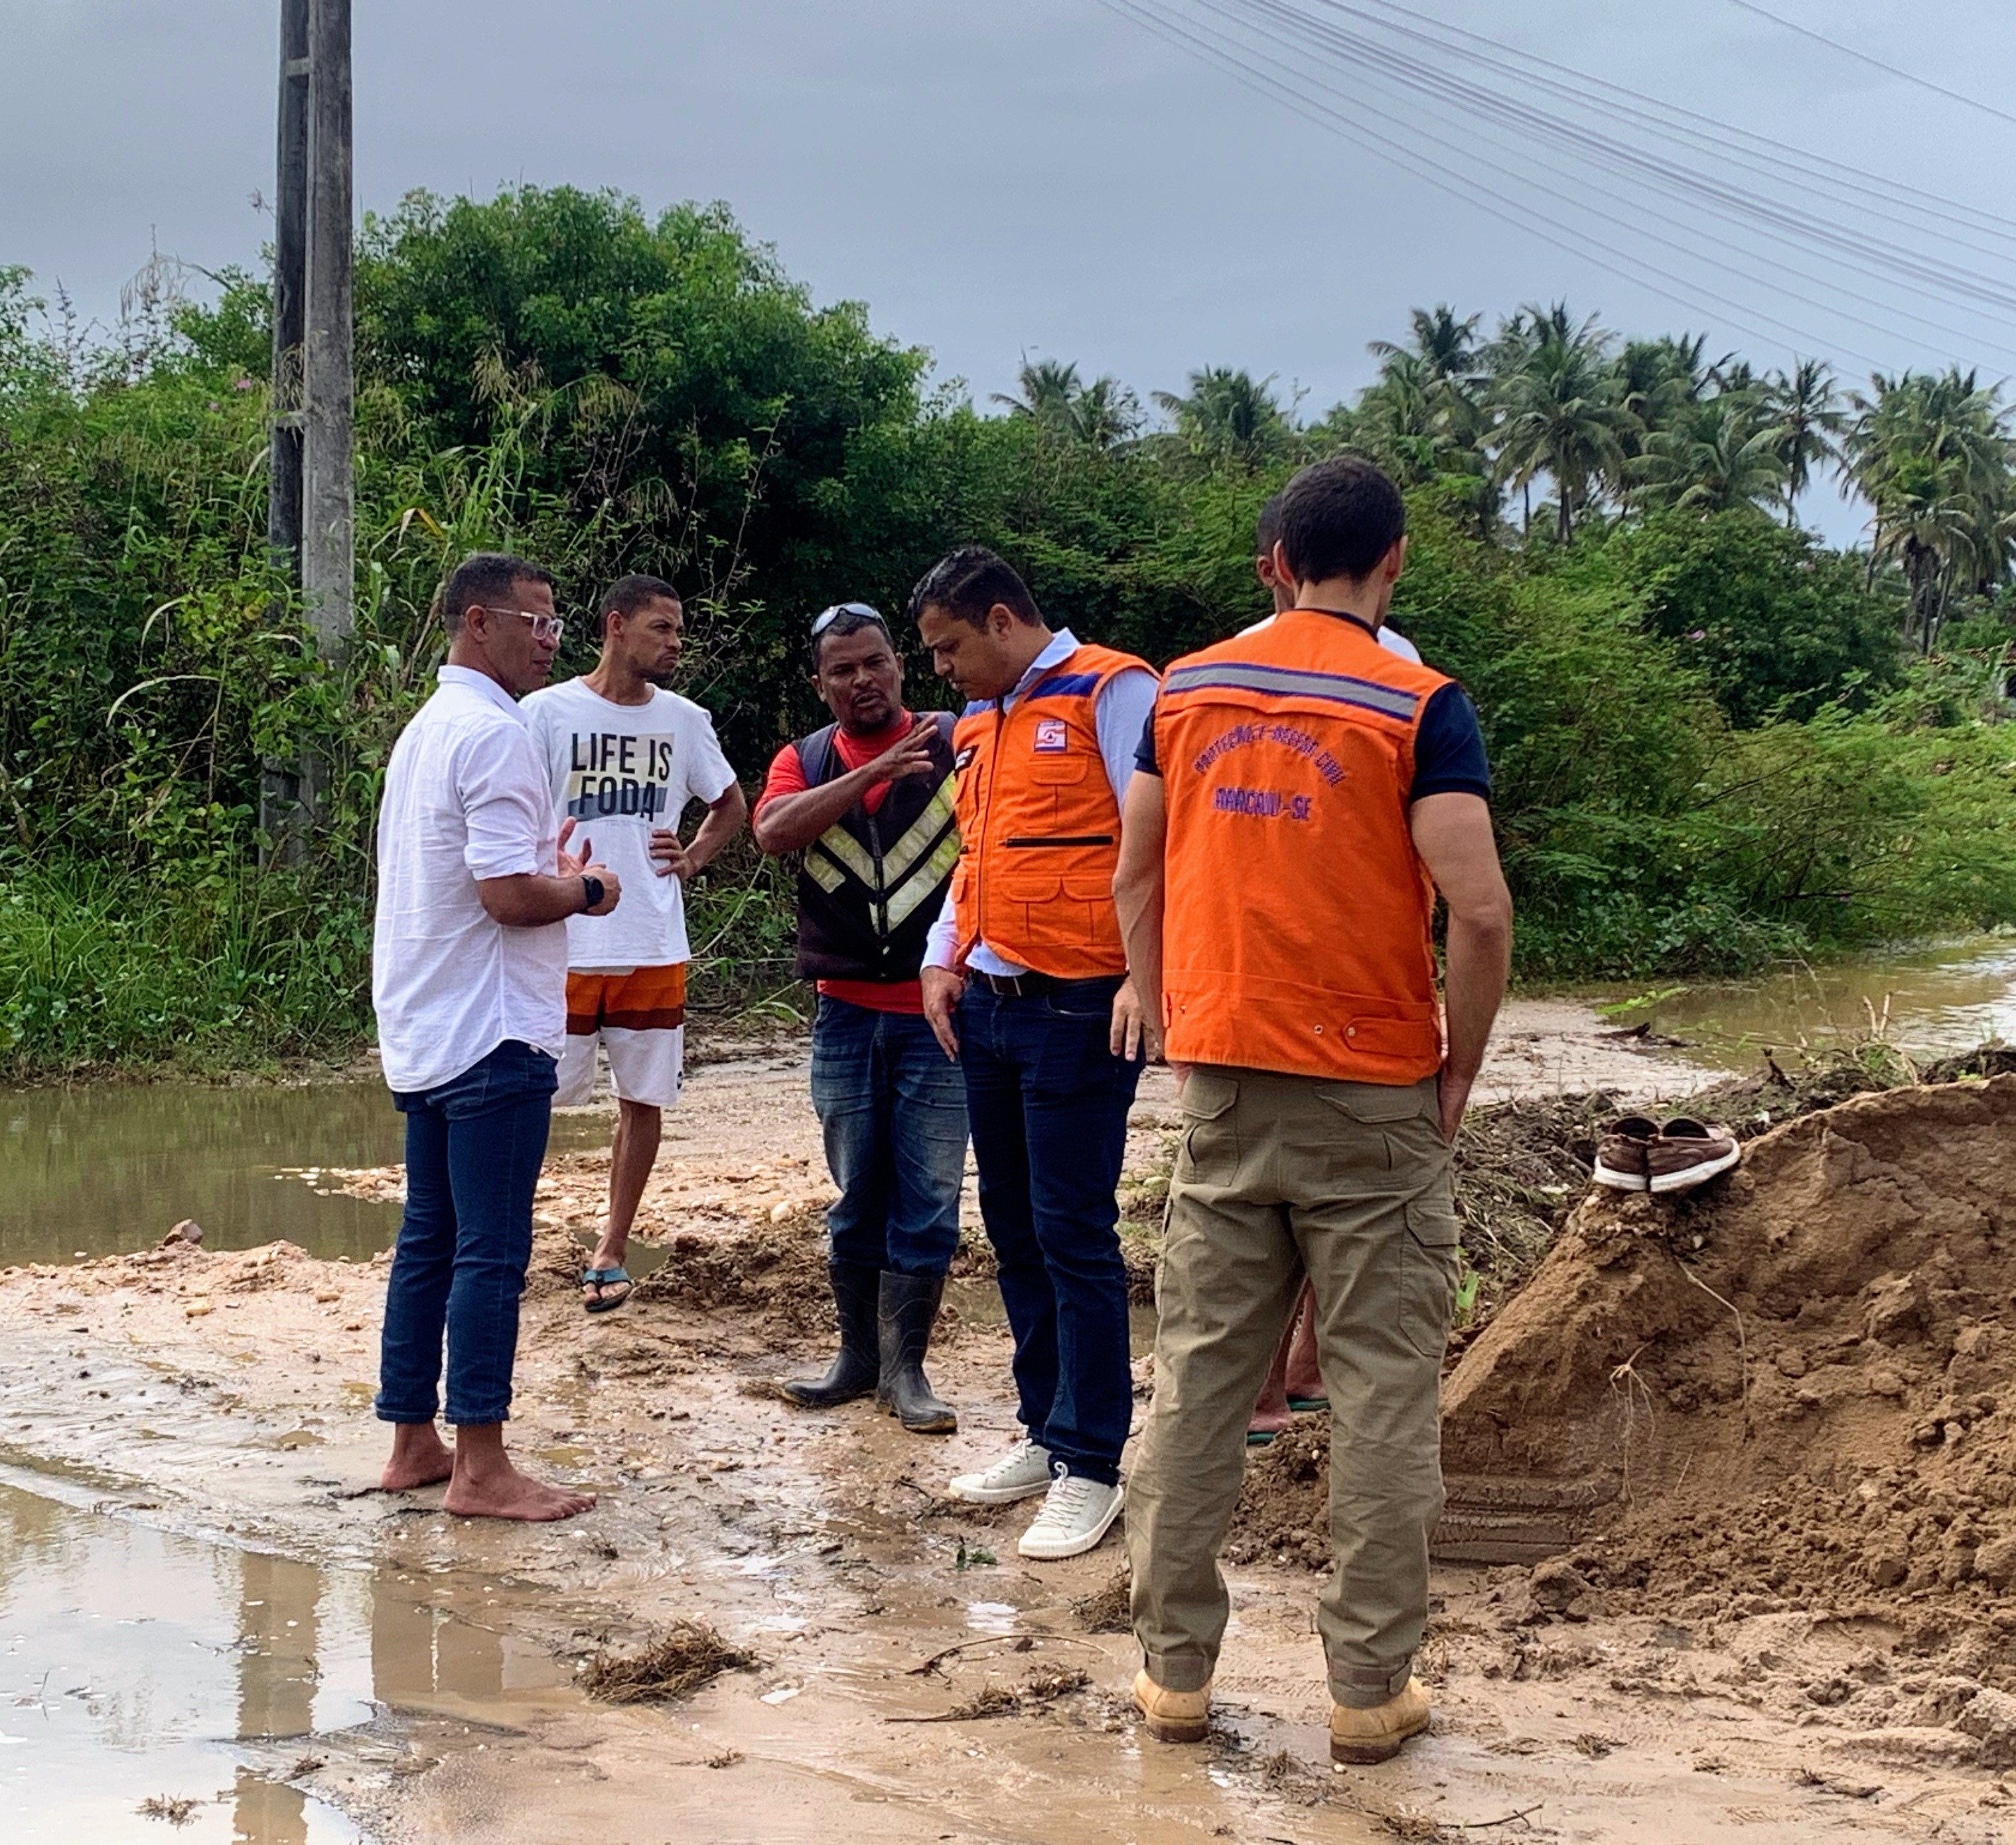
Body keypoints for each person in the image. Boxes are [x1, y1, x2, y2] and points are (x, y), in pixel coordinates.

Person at [1115, 458, 1513, 1763]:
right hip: (1374, 1091)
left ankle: (1172, 1678)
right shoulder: (1417, 702)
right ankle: (1365, 1690)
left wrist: (1166, 1008)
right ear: (1392, 563)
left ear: (1276, 557)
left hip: (1224, 1083)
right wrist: (1455, 1066)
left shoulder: (1180, 692)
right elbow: (1482, 907)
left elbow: (1138, 869)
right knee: (1385, 1390)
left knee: (1196, 1382)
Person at [911, 546, 1157, 1561]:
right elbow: (980, 855)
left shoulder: (1115, 688)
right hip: (992, 1007)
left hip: (1082, 1006)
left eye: (949, 647)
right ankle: (1045, 1429)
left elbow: (1159, 845)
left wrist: (1149, 975)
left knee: (1073, 1233)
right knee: (1011, 1227)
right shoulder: (978, 724)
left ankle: (1092, 1461)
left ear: (1004, 620)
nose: (940, 670)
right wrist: (942, 955)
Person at [371, 551, 620, 1521]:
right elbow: (511, 897)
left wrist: (542, 876)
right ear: (480, 623)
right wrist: (587, 891)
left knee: (428, 1237)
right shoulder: (497, 733)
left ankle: (413, 1444)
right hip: (493, 1027)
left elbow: (471, 876)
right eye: (539, 622)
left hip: (428, 1022)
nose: (550, 640)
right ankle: (481, 1466)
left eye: (555, 625)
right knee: (489, 1249)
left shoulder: (428, 730)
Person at [753, 602, 969, 1433]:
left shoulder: (956, 742)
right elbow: (772, 832)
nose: (862, 680)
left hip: (937, 1018)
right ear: (820, 683)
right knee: (855, 1193)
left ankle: (906, 1372)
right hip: (842, 1017)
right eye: (842, 670)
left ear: (900, 665)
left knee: (929, 1195)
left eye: (874, 662)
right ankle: (857, 1360)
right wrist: (870, 777)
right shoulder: (803, 759)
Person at [1245, 489, 1429, 1441]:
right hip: (1354, 990)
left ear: (1278, 561)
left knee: (1261, 1215)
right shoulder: (1403, 678)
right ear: (1392, 558)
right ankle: (1287, 1384)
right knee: (1331, 1217)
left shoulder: (1209, 678)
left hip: (1248, 996)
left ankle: (1285, 1382)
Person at [522, 575, 748, 1312]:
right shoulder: (543, 713)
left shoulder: (684, 720)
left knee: (641, 1098)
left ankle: (611, 1248)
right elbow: (510, 807)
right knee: (530, 1099)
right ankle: (508, 1241)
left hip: (652, 938)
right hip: (559, 942)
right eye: (662, 628)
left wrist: (691, 857)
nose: (675, 643)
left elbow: (729, 803)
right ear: (616, 627)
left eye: (679, 630)